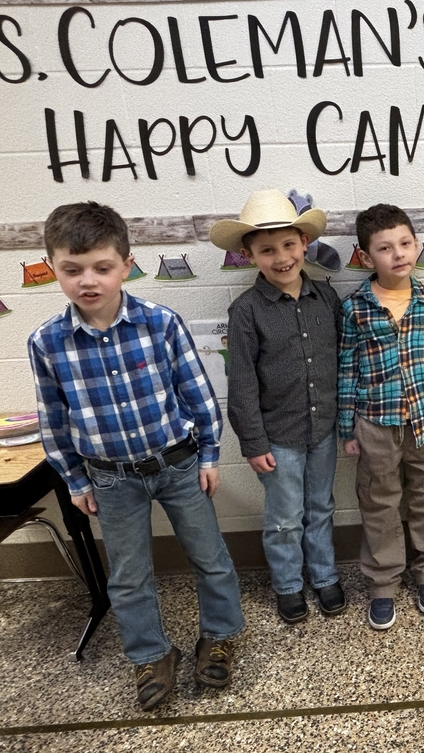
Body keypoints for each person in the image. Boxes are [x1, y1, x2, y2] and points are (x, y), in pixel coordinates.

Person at [28, 202, 244, 711]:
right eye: (72, 269)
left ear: (126, 264)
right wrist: (76, 483)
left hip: (178, 464)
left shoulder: (159, 323)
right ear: (52, 267)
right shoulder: (47, 342)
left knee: (210, 557)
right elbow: (53, 421)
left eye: (102, 267)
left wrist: (210, 455)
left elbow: (198, 395)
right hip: (109, 479)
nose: (88, 281)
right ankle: (151, 654)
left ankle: (219, 636)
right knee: (128, 574)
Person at [210, 189, 347, 625]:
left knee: (321, 506)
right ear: (250, 255)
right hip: (276, 438)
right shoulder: (246, 311)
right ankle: (288, 584)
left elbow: (343, 360)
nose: (281, 257)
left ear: (304, 245)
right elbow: (243, 384)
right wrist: (252, 441)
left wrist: (347, 420)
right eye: (267, 250)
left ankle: (324, 576)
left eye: (289, 245)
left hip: (322, 427)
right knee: (286, 517)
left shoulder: (327, 300)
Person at [338, 204, 424, 630]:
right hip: (375, 422)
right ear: (367, 257)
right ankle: (383, 582)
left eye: (405, 244)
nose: (398, 254)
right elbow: (347, 368)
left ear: (417, 246)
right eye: (385, 248)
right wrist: (348, 428)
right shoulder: (355, 308)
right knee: (379, 501)